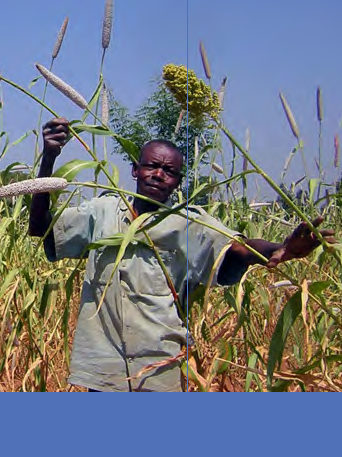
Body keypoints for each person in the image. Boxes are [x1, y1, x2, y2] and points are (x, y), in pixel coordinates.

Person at [28, 118, 334, 393]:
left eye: (169, 171)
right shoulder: (102, 211)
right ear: (135, 169)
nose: (158, 175)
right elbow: (40, 227)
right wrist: (49, 159)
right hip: (104, 367)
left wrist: (279, 248)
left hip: (158, 368)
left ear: (178, 181)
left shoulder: (189, 222)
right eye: (151, 166)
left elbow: (238, 247)